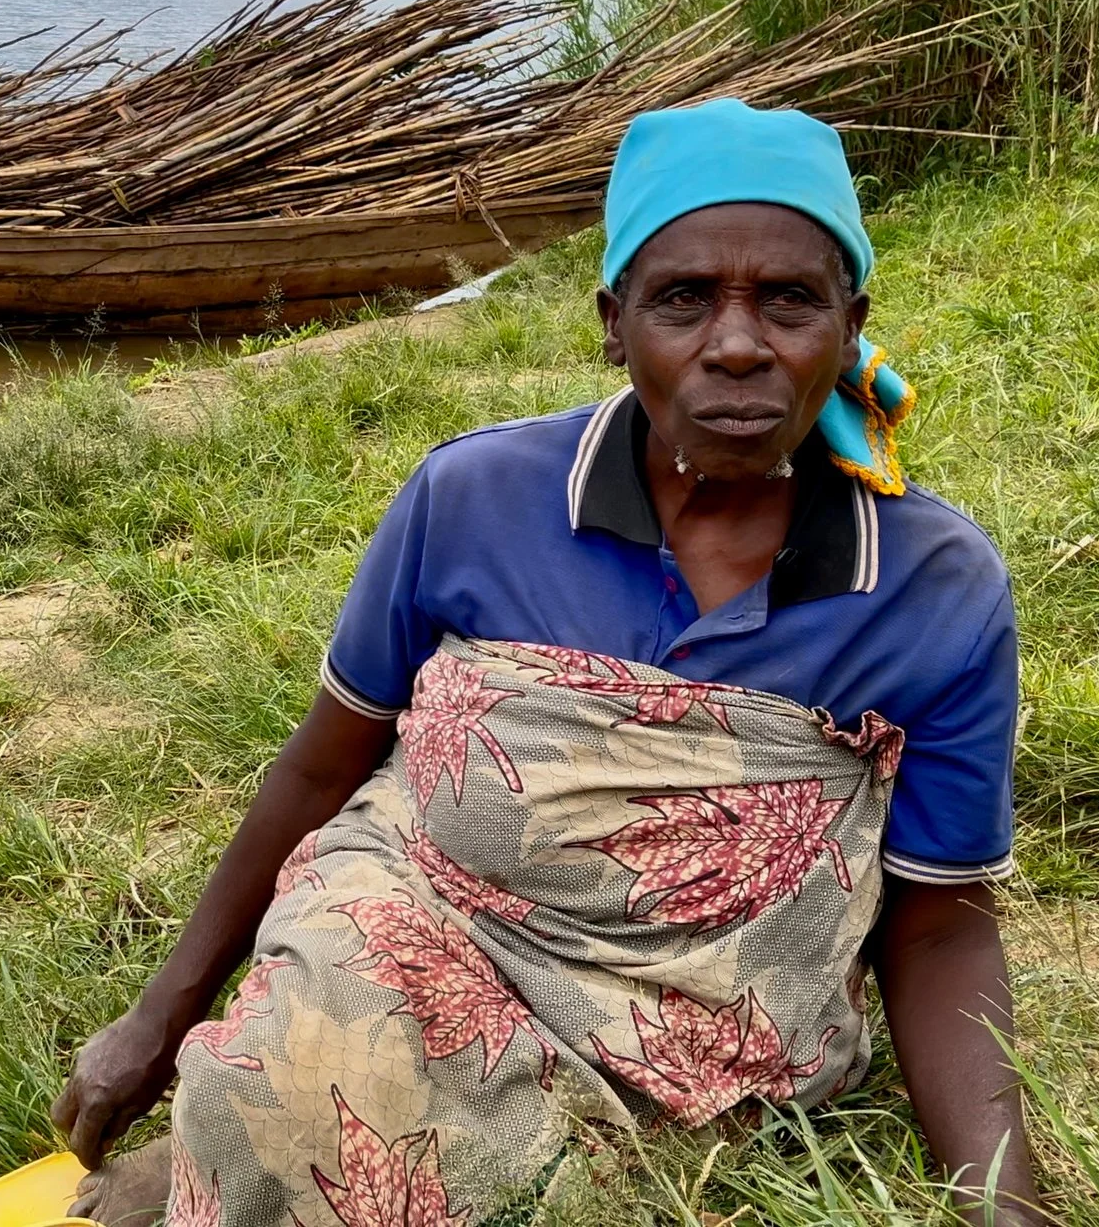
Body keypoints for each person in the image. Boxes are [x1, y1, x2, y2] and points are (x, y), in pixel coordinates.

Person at [53, 99, 1041, 1227]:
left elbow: (939, 918)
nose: (735, 342)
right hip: (417, 914)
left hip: (701, 1022)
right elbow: (325, 769)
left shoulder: (929, 580)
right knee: (296, 1071)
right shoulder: (475, 497)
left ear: (846, 319)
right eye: (683, 300)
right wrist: (159, 1019)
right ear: (613, 325)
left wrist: (1001, 1202)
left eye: (787, 299)